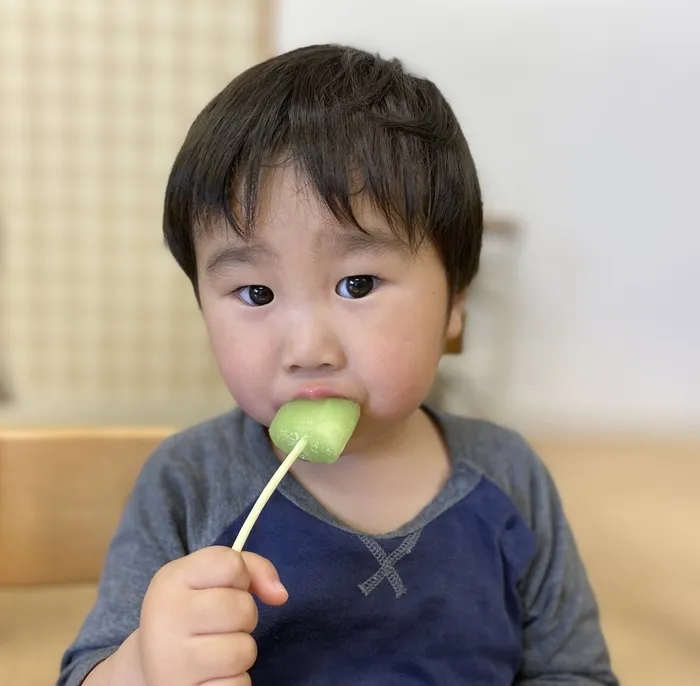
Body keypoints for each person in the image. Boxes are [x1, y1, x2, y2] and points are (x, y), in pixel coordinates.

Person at [58, 44, 618, 686]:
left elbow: (576, 672)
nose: (307, 349)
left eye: (356, 285)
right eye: (256, 294)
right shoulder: (189, 484)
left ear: (455, 305)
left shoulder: (510, 479)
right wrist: (144, 666)